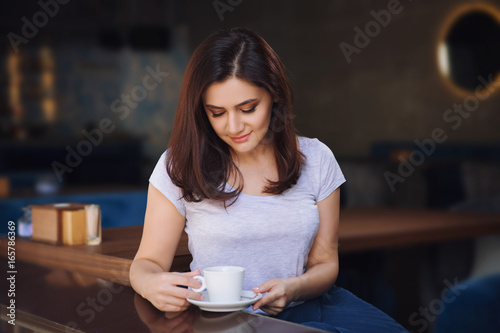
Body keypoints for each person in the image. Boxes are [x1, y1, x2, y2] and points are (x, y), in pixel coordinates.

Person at [129, 27, 407, 332]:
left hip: (312, 307)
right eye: (217, 113)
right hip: (224, 323)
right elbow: (148, 263)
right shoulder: (179, 165)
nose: (234, 126)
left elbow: (325, 263)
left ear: (274, 93)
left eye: (248, 108)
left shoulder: (316, 159)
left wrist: (293, 289)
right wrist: (149, 284)